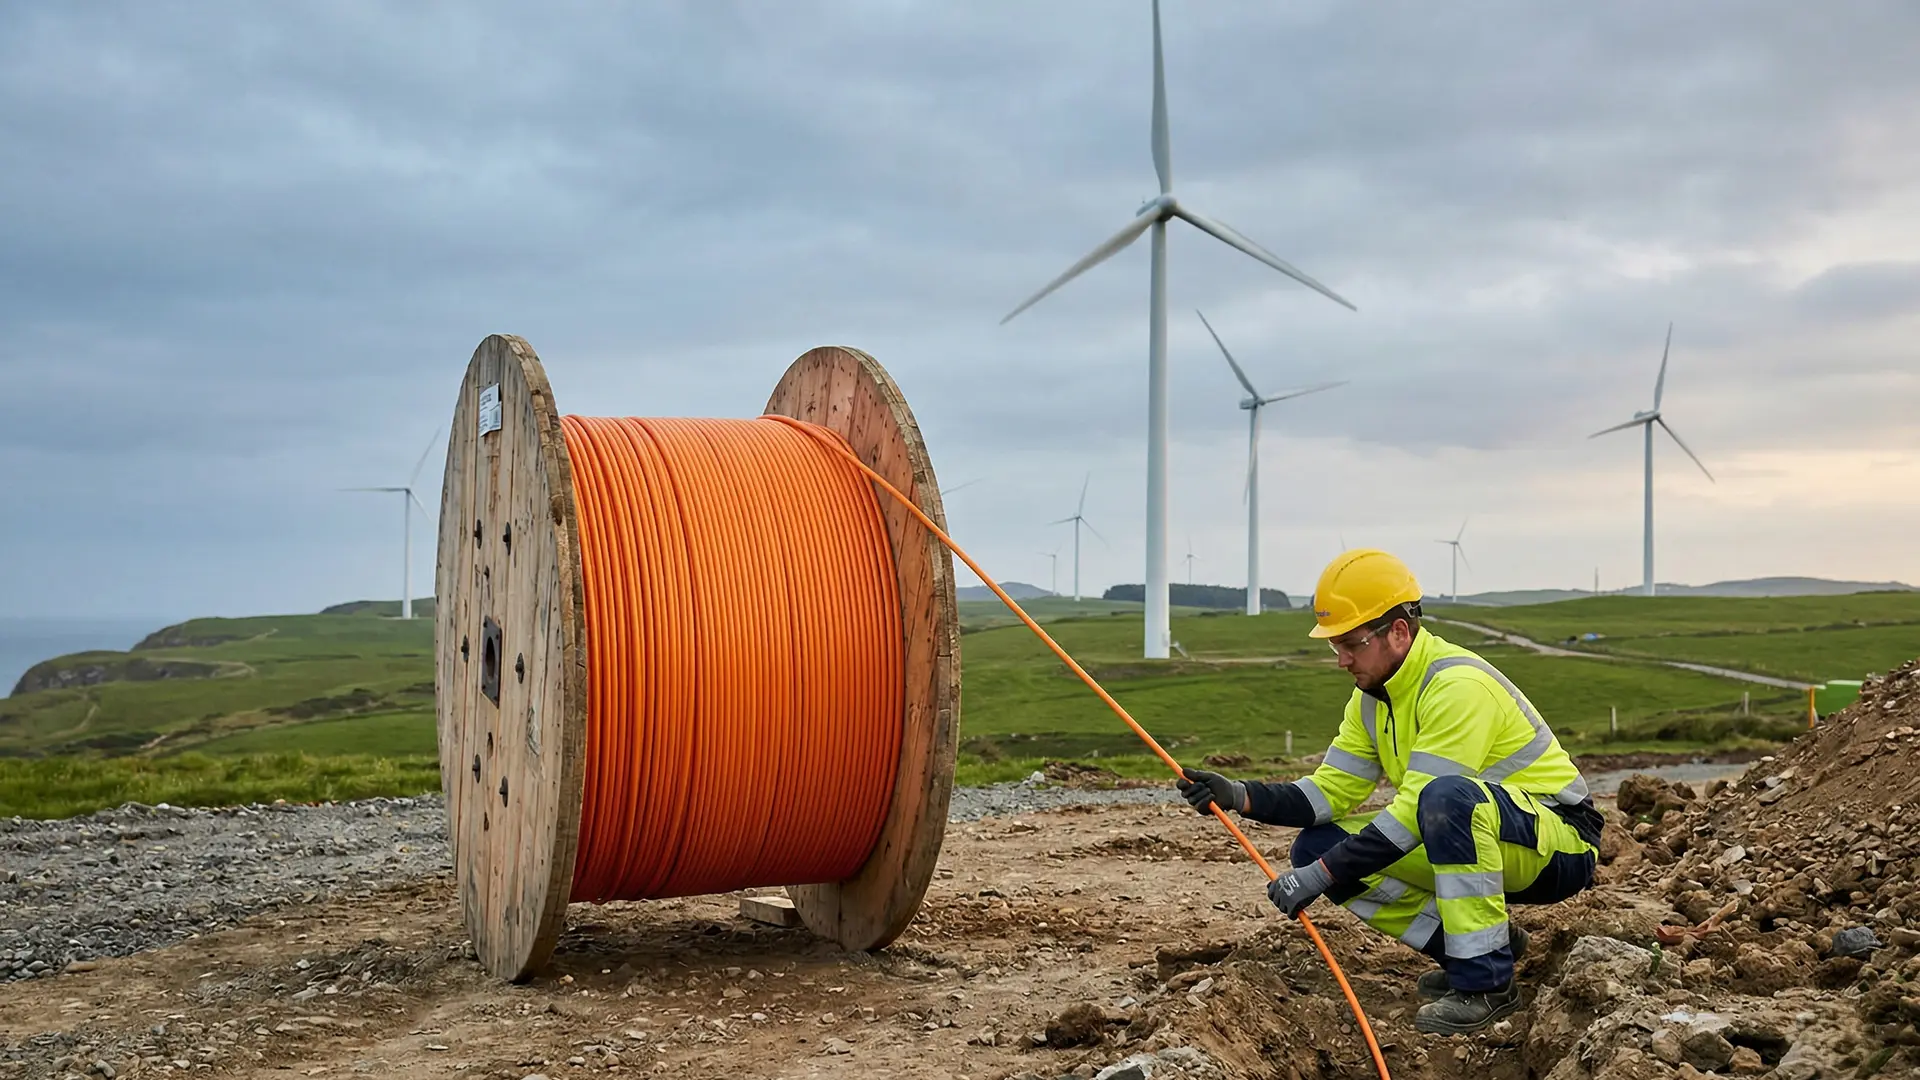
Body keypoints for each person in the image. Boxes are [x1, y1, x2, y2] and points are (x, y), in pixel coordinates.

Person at [1177, 548, 1604, 1035]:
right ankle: (1482, 945)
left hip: (1559, 842)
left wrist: (1319, 878)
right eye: (1334, 645)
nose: (1341, 660)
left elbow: (1414, 814)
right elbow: (1328, 793)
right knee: (1317, 845)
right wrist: (1240, 795)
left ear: (1398, 632)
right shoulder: (1372, 698)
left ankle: (1486, 985)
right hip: (1483, 832)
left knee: (1444, 801)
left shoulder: (1457, 685)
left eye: (1351, 644)